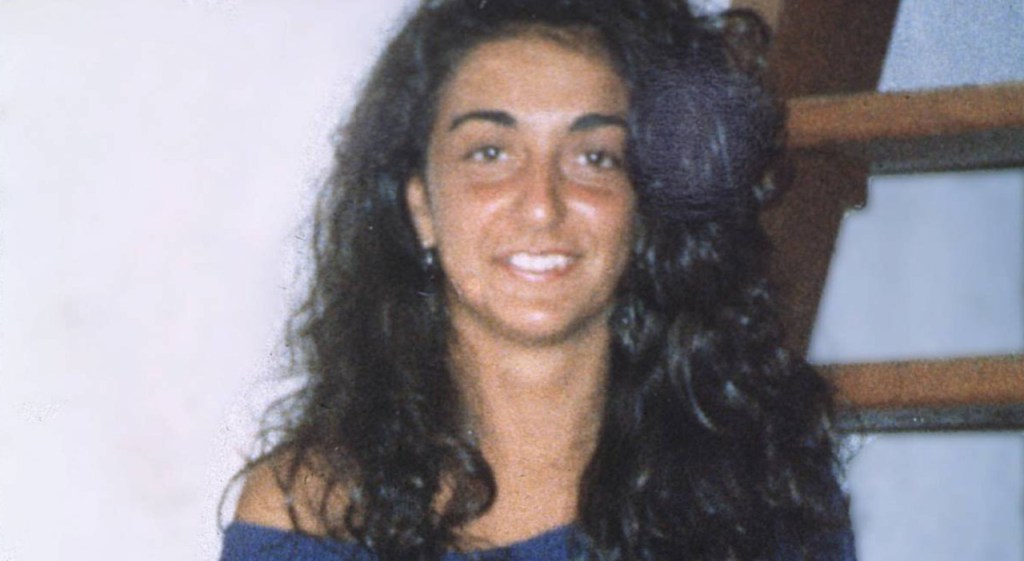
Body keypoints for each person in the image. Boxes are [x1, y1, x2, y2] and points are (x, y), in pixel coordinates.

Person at [220, 1, 855, 560]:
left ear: (648, 205)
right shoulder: (308, 518)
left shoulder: (759, 491)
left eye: (595, 158)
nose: (542, 205)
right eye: (490, 153)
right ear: (421, 207)